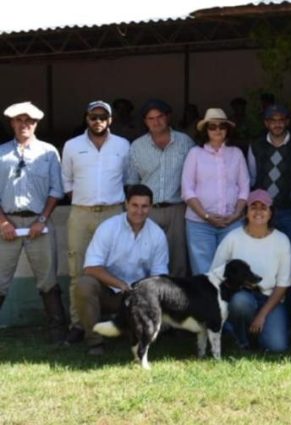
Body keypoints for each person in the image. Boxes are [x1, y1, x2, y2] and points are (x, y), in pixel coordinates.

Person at [61, 100, 130, 343]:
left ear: (110, 120)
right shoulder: (71, 146)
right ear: (86, 118)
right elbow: (66, 182)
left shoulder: (123, 145)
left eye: (103, 116)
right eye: (93, 116)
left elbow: (128, 179)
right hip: (81, 213)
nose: (97, 120)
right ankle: (78, 324)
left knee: (114, 268)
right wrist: (84, 200)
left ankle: (116, 321)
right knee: (77, 269)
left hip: (114, 212)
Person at [0, 101, 67, 343]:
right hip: (7, 222)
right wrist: (3, 223)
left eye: (28, 120)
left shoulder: (49, 152)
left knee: (47, 277)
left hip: (40, 223)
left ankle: (58, 331)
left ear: (36, 123)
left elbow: (56, 190)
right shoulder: (1, 153)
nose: (23, 124)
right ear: (12, 123)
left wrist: (42, 219)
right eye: (19, 120)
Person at [75, 184, 169, 355]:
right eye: (134, 205)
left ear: (151, 207)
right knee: (84, 285)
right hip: (109, 291)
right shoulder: (109, 227)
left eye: (144, 206)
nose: (139, 211)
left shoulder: (157, 235)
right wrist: (121, 284)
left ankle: (137, 334)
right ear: (126, 204)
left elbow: (159, 276)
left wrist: (145, 295)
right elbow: (91, 267)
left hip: (138, 296)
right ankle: (95, 343)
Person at [210, 189, 291, 352]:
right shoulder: (233, 238)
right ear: (246, 212)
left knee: (277, 346)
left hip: (270, 299)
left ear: (271, 213)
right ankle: (242, 341)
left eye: (264, 207)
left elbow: (283, 285)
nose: (258, 212)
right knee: (240, 303)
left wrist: (262, 316)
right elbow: (214, 274)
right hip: (241, 297)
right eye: (253, 207)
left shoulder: (282, 240)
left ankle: (257, 334)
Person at [126, 99, 195, 277]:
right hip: (149, 209)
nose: (156, 122)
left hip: (177, 208)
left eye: (160, 117)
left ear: (168, 117)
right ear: (145, 121)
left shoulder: (185, 142)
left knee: (178, 259)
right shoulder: (137, 146)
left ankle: (177, 300)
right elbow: (132, 182)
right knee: (147, 255)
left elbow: (196, 175)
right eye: (151, 118)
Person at [181, 108, 249, 275]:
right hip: (199, 224)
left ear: (227, 129)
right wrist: (206, 215)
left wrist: (236, 214)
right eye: (212, 127)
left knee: (231, 272)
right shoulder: (195, 154)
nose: (217, 130)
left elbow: (244, 187)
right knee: (203, 273)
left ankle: (230, 302)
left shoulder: (236, 153)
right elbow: (187, 190)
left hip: (231, 222)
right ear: (206, 130)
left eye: (222, 126)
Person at [246, 104, 291, 244]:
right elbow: (252, 177)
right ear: (266, 123)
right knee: (264, 251)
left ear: (287, 122)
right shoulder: (256, 145)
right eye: (272, 120)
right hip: (264, 210)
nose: (277, 124)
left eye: (281, 120)